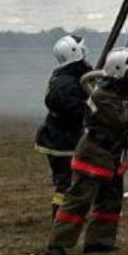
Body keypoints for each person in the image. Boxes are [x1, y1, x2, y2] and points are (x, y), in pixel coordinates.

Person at [44, 48, 128, 255]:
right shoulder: (102, 95)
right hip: (94, 153)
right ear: (119, 71)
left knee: (110, 200)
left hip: (112, 154)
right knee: (78, 201)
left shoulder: (122, 89)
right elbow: (126, 118)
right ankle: (57, 246)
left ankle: (99, 241)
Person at [34, 35, 90, 220]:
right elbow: (75, 111)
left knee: (70, 181)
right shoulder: (64, 83)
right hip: (61, 141)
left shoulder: (69, 75)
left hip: (62, 137)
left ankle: (67, 215)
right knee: (66, 183)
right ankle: (59, 218)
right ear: (75, 52)